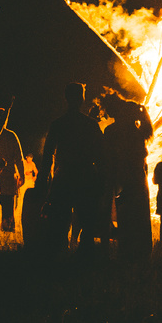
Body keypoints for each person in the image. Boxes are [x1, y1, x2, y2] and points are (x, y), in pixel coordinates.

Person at [41, 83, 104, 253]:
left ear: (66, 98)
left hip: (65, 177)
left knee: (60, 222)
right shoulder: (91, 125)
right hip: (86, 177)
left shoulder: (58, 124)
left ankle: (59, 256)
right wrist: (103, 180)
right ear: (82, 98)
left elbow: (47, 156)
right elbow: (101, 155)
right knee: (87, 223)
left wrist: (43, 182)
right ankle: (84, 258)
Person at [100, 92, 154, 259]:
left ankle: (126, 250)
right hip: (138, 178)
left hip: (122, 179)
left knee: (126, 215)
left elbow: (107, 157)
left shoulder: (112, 131)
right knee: (140, 215)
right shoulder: (138, 132)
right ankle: (143, 251)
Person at [0, 117, 25, 234]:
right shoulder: (11, 136)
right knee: (9, 205)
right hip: (8, 177)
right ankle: (8, 229)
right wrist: (21, 175)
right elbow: (19, 157)